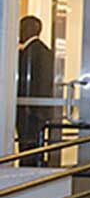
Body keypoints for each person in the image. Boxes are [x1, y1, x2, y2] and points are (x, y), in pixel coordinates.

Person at [16, 15, 55, 164]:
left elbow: (39, 84)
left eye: (21, 27)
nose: (19, 32)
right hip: (34, 111)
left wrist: (32, 110)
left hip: (31, 113)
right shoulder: (41, 51)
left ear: (30, 29)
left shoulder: (34, 53)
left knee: (28, 149)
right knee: (29, 149)